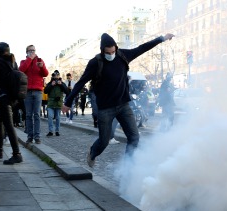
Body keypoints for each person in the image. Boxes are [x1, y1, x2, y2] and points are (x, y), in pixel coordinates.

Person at [62, 32, 174, 167]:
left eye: (113, 51)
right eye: (108, 52)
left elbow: (143, 47)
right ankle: (93, 152)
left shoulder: (123, 55)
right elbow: (80, 83)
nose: (111, 54)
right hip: (105, 109)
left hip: (124, 105)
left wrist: (162, 39)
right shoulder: (95, 63)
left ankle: (127, 167)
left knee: (134, 137)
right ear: (102, 51)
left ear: (116, 48)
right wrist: (68, 102)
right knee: (104, 141)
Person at [0, 42, 23, 165]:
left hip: (4, 98)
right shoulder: (13, 61)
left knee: (8, 125)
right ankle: (0, 150)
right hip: (13, 98)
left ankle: (16, 154)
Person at [19, 45, 49, 144]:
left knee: (36, 114)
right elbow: (21, 70)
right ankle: (29, 136)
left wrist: (42, 67)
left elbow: (45, 74)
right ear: (26, 52)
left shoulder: (40, 60)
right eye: (30, 50)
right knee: (28, 115)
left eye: (33, 50)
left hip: (38, 91)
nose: (32, 52)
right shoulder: (24, 61)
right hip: (27, 91)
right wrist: (29, 59)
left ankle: (37, 136)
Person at [44, 71, 68, 137]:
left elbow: (67, 91)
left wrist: (61, 85)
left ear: (59, 76)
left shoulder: (62, 83)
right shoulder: (50, 83)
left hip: (58, 103)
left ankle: (57, 131)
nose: (56, 77)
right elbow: (45, 91)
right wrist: (51, 85)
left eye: (57, 75)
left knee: (58, 118)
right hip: (51, 103)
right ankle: (50, 131)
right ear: (52, 76)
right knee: (50, 117)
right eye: (54, 75)